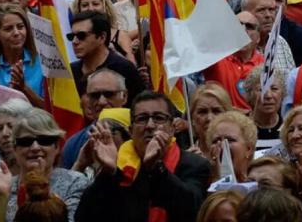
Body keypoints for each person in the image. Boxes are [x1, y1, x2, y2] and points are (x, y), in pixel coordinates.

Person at [77, 91, 211, 220]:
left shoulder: (195, 164)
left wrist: (155, 168)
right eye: (142, 119)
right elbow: (85, 217)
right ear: (131, 131)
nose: (150, 125)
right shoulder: (120, 168)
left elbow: (193, 208)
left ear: (172, 129)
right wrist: (108, 173)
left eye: (159, 118)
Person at [67, 10, 144, 103]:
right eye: (71, 36)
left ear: (102, 37)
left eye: (81, 35)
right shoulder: (70, 72)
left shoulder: (124, 69)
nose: (75, 41)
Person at [0, 5, 45, 107]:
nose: (16, 33)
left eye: (20, 27)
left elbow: (51, 111)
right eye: (8, 29)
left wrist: (24, 88)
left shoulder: (42, 62)